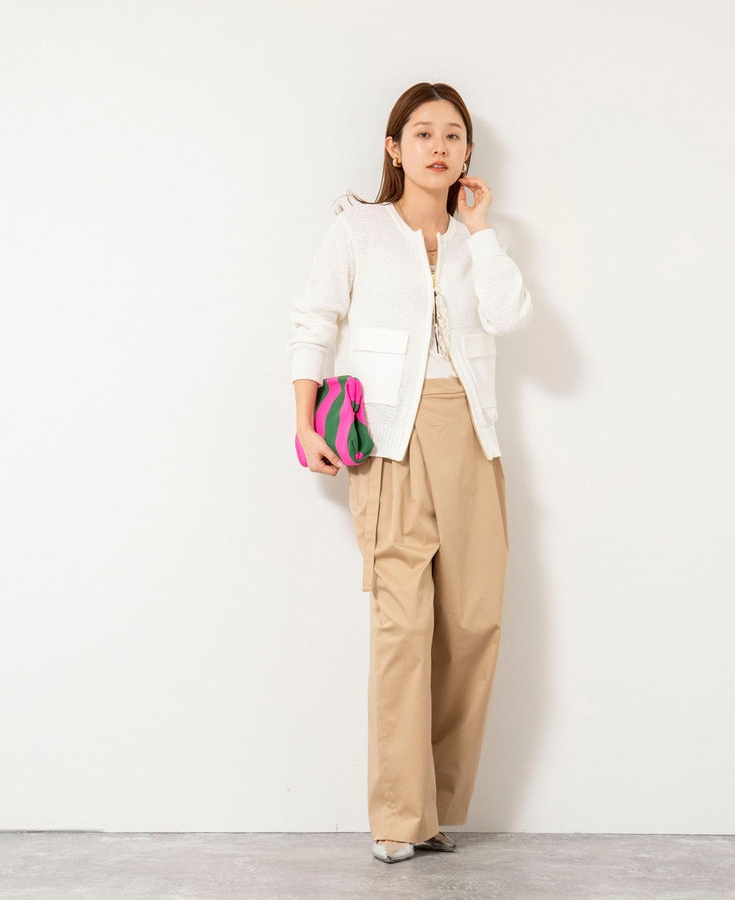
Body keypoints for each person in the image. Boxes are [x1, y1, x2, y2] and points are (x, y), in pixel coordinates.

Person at [287, 82, 533, 864]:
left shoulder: (478, 238)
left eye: (453, 134)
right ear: (394, 147)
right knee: (403, 625)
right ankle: (398, 816)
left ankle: (436, 808)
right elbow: (315, 320)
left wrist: (480, 230)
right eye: (422, 133)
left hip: (472, 435)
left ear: (468, 153)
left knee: (474, 622)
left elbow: (508, 315)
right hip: (390, 441)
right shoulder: (357, 230)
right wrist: (303, 418)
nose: (438, 146)